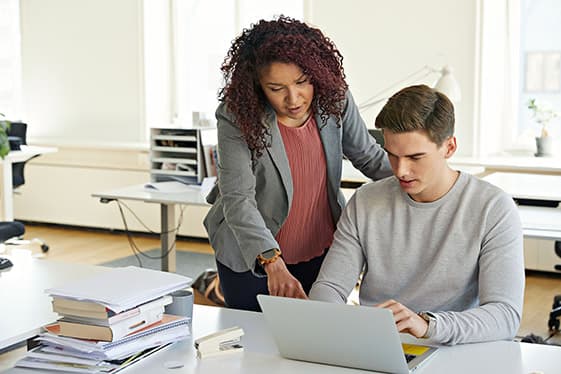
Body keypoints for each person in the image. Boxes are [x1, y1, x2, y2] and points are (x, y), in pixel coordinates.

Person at [309, 84, 525, 345]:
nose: (401, 170)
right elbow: (329, 286)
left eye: (415, 157)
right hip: (380, 345)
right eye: (392, 155)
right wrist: (332, 321)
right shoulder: (366, 200)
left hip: (455, 346)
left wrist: (427, 325)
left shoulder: (493, 208)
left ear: (449, 147)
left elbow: (504, 316)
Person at [203, 16, 392, 311]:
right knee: (256, 342)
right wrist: (271, 262)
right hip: (253, 255)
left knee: (317, 342)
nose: (294, 98)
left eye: (302, 82)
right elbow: (238, 199)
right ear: (257, 87)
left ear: (316, 73)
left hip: (320, 247)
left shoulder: (334, 99)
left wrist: (429, 178)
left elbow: (369, 157)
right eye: (276, 88)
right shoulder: (237, 116)